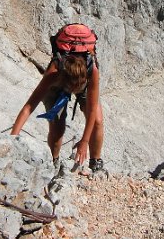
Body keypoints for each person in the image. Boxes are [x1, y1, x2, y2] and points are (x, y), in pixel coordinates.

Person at [10, 24, 104, 172]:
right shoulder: (54, 72)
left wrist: (84, 141)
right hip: (57, 88)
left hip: (83, 83)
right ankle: (54, 162)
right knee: (57, 129)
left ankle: (95, 162)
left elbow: (92, 110)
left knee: (97, 121)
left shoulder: (92, 71)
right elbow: (29, 107)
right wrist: (12, 139)